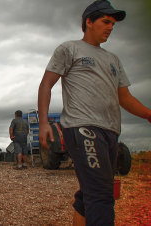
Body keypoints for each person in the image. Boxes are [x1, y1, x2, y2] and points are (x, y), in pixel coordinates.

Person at [38, 0, 151, 225]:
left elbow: (125, 98)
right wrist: (43, 122)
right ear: (88, 22)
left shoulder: (113, 60)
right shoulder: (69, 49)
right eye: (105, 21)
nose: (110, 27)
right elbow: (46, 84)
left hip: (109, 130)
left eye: (113, 24)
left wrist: (149, 114)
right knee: (101, 196)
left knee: (90, 193)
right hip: (82, 127)